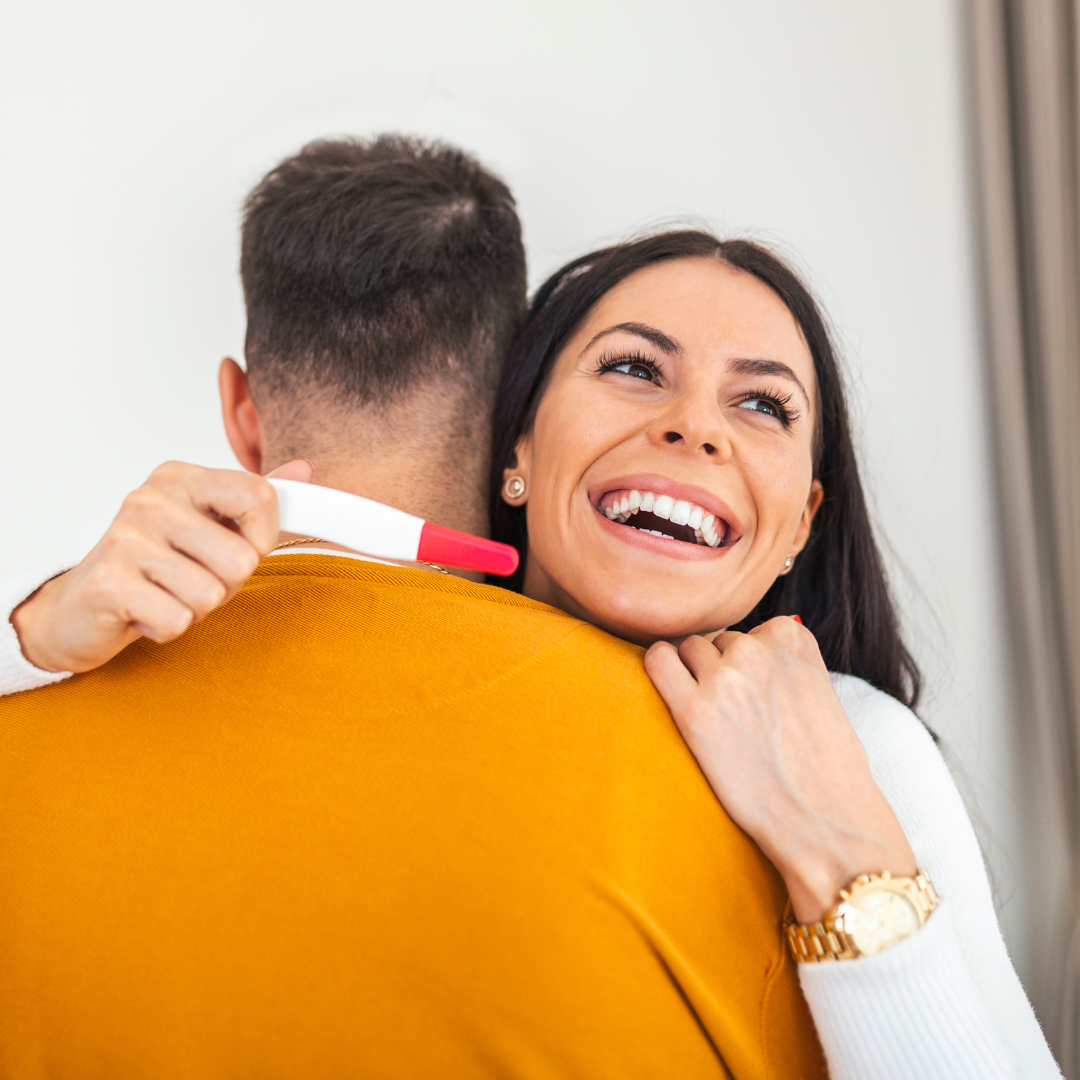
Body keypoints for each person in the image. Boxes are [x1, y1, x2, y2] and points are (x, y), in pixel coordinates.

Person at [1, 148, 1061, 1079]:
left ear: (802, 522)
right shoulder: (293, 672)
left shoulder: (855, 742)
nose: (696, 429)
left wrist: (848, 860)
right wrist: (37, 634)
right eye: (635, 368)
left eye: (763, 403)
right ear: (517, 440)